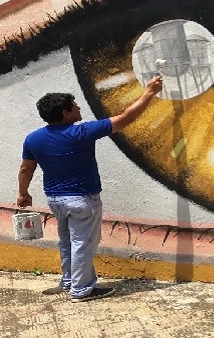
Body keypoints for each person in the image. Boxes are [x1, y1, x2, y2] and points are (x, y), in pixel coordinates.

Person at [17, 75, 163, 302]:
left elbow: (26, 169)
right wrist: (149, 93)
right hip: (82, 200)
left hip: (55, 199)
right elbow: (125, 119)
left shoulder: (33, 138)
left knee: (67, 242)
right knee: (82, 244)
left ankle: (68, 281)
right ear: (65, 113)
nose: (79, 108)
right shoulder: (81, 132)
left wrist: (23, 193)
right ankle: (81, 289)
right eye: (74, 106)